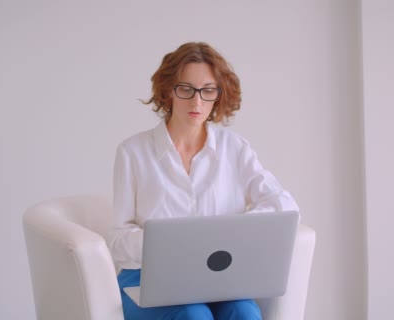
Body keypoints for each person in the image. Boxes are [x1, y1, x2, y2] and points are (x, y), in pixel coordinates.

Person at [107, 42, 299, 320]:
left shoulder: (235, 148)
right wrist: (166, 245)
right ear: (168, 91)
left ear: (218, 95)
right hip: (146, 279)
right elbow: (117, 237)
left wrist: (236, 230)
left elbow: (284, 205)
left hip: (218, 280)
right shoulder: (132, 152)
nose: (197, 102)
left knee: (244, 313)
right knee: (193, 315)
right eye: (186, 89)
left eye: (207, 90)